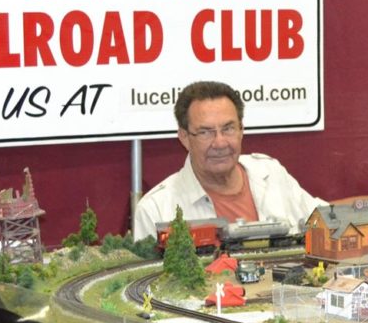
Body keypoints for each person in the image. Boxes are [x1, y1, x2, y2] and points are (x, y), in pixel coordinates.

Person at [133, 81, 321, 242]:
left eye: (228, 129)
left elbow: (325, 222)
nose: (220, 143)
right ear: (184, 137)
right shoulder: (155, 210)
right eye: (205, 132)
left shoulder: (272, 173)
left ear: (241, 130)